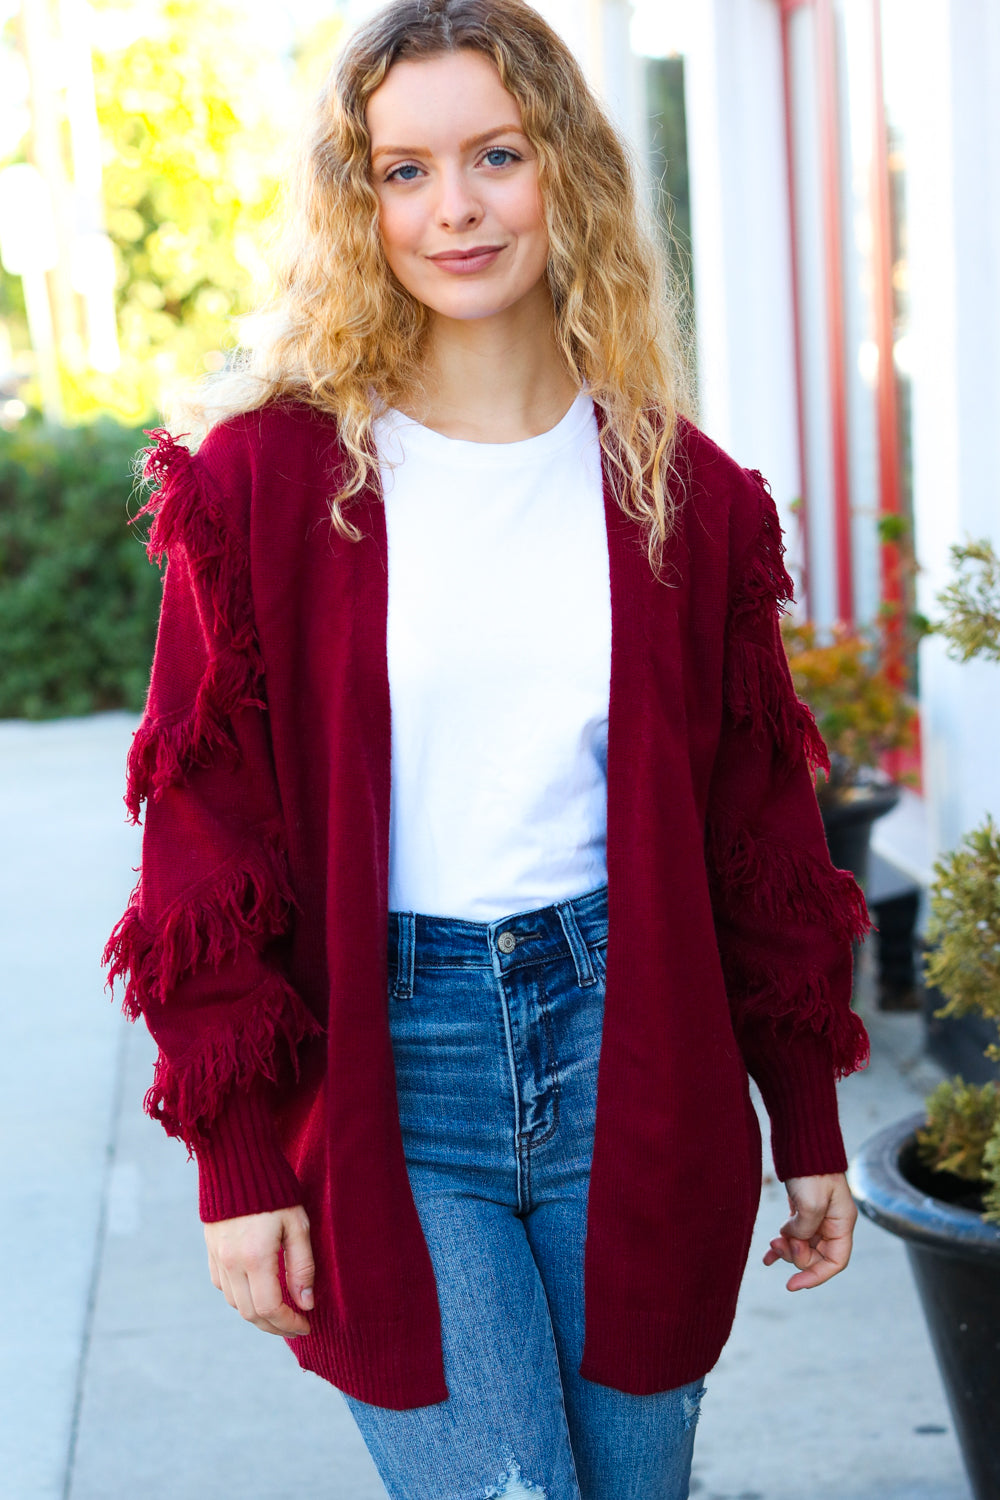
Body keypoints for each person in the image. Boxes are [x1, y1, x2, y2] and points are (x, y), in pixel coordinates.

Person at [104, 2, 871, 1496]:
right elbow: (204, 840)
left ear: (565, 172)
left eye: (496, 156)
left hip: (635, 1054)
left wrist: (811, 1119)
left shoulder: (685, 497)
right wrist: (238, 1162)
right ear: (359, 200)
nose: (452, 209)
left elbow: (761, 838)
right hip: (397, 1073)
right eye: (403, 170)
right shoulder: (266, 482)